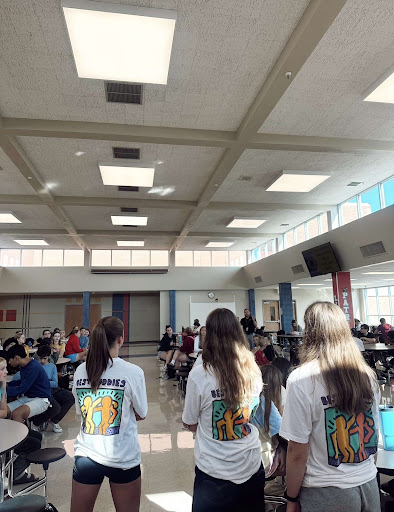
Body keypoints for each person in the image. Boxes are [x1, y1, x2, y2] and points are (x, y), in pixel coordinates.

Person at [280, 301, 380, 512]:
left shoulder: (301, 379)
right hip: (369, 486)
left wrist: (291, 497)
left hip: (326, 491)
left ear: (309, 332)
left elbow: (297, 450)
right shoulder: (366, 375)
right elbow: (372, 434)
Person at [182, 308, 265, 512]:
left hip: (214, 471)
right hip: (252, 465)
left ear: (208, 335)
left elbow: (190, 422)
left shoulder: (200, 374)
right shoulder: (253, 369)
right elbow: (253, 412)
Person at [71, 316, 148, 512]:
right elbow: (141, 413)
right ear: (120, 340)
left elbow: (83, 412)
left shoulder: (81, 371)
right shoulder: (133, 372)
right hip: (123, 457)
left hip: (87, 455)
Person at [0, 357, 42, 484]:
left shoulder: (1, 388)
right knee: (33, 444)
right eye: (2, 369)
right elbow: (3, 412)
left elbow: (4, 411)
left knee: (36, 436)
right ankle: (13, 475)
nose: (6, 372)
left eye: (6, 368)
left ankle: (13, 471)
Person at [33, 344, 75, 433]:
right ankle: (37, 422)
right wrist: (47, 382)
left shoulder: (52, 366)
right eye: (40, 358)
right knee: (55, 407)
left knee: (70, 397)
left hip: (53, 389)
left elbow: (55, 383)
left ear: (49, 356)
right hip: (42, 391)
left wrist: (43, 382)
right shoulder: (35, 365)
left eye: (44, 358)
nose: (42, 361)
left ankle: (54, 420)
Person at [6, 344, 51, 423]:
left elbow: (21, 389)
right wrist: (9, 384)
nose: (9, 362)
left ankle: (23, 434)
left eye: (9, 360)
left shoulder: (33, 367)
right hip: (28, 397)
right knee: (4, 411)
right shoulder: (24, 366)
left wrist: (3, 391)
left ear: (16, 358)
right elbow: (24, 382)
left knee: (17, 414)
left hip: (41, 399)